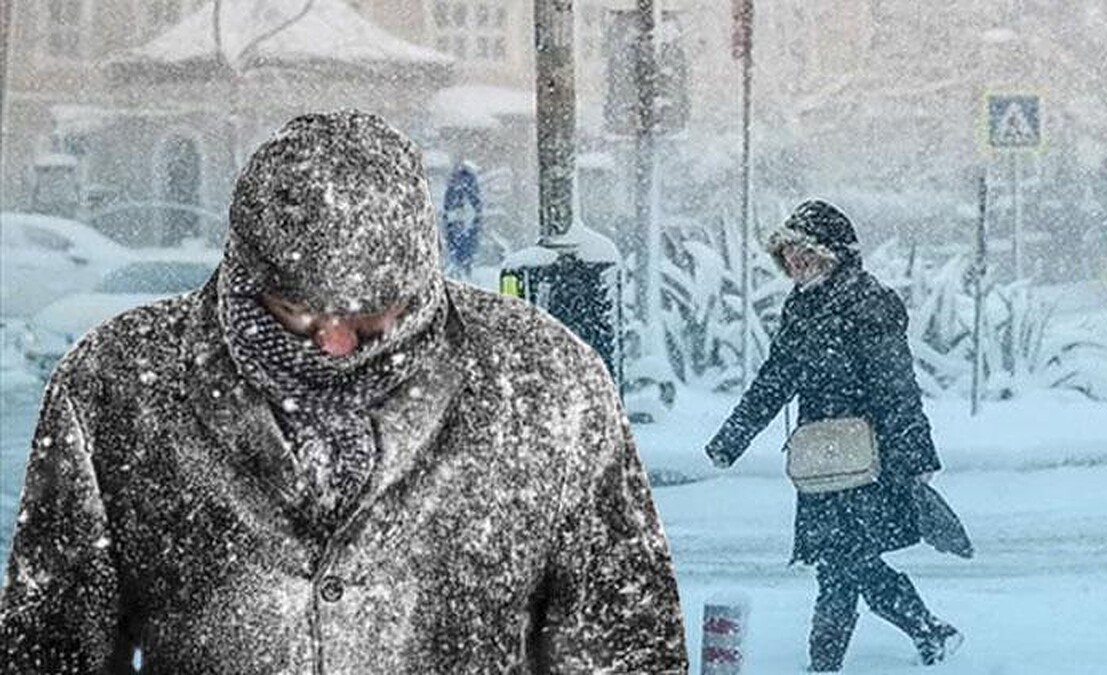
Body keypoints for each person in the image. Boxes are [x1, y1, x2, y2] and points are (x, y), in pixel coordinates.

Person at [0, 111, 687, 673]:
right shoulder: (118, 383)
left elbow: (623, 642)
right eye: (297, 312)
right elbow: (50, 646)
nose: (333, 342)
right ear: (245, 272)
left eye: (368, 317)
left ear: (420, 276)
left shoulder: (544, 381)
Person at [703, 200, 961, 672]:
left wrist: (916, 457)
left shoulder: (868, 302)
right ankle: (926, 631)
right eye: (790, 254)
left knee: (843, 564)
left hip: (868, 458)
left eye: (806, 252)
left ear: (833, 253)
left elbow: (896, 386)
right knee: (844, 563)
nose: (797, 262)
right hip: (822, 459)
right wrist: (731, 439)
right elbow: (776, 378)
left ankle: (828, 664)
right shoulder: (802, 307)